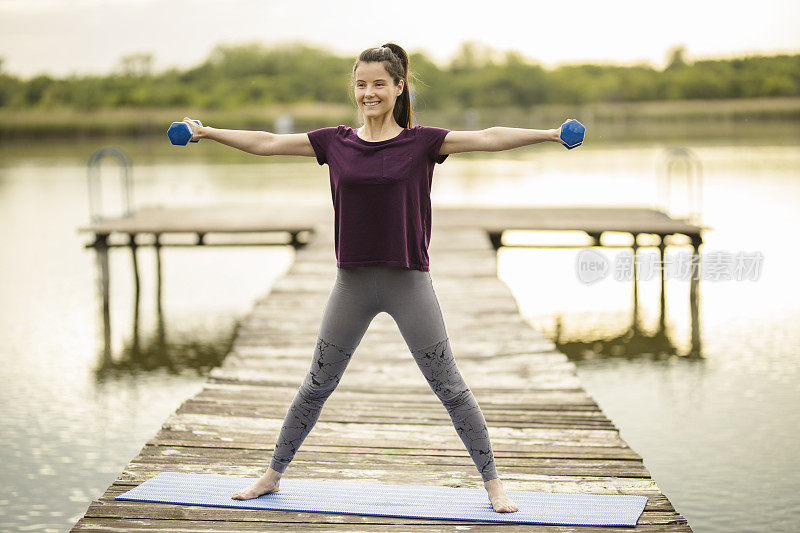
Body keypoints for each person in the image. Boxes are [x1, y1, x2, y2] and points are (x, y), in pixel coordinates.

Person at [181, 42, 576, 514]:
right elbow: (266, 143)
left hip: (408, 282)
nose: (369, 93)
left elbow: (489, 137)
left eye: (379, 84)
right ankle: (271, 476)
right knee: (317, 384)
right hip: (352, 284)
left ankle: (493, 485)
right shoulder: (334, 142)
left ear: (398, 87)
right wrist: (205, 132)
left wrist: (550, 134)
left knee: (449, 385)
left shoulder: (423, 142)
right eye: (361, 84)